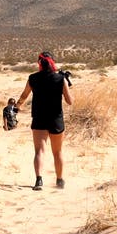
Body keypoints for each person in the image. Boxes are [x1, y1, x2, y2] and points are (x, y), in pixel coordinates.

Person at [15, 51, 73, 190]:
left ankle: (39, 181)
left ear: (39, 63)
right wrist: (68, 83)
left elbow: (24, 96)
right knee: (57, 152)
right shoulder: (60, 79)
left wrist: (16, 107)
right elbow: (70, 101)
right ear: (53, 62)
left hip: (39, 118)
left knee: (39, 151)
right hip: (56, 119)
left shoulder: (33, 78)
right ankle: (59, 180)